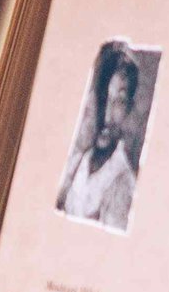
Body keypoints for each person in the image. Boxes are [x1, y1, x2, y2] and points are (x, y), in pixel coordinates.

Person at [58, 43, 145, 232]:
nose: (106, 116)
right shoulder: (74, 164)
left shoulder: (123, 184)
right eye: (103, 97)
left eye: (118, 102)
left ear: (129, 108)